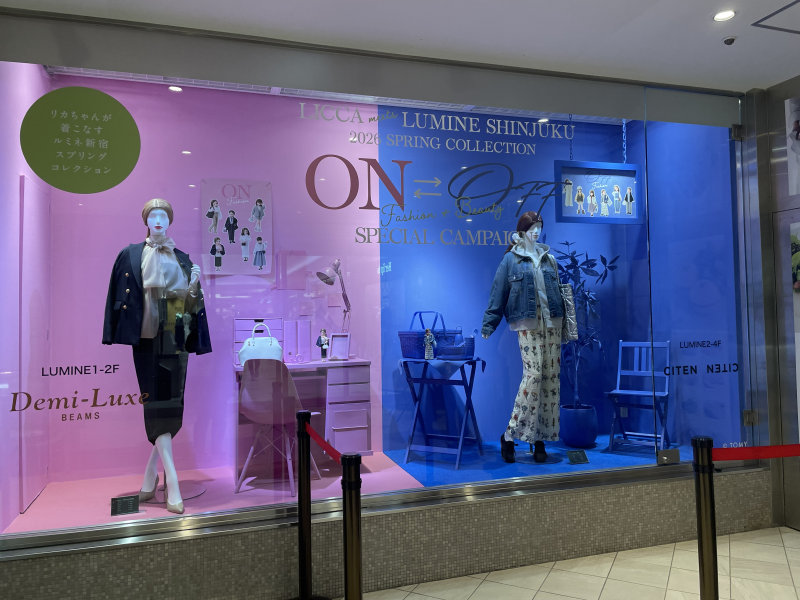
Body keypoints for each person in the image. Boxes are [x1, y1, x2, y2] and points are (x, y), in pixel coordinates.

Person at [103, 199, 212, 514]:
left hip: (175, 334)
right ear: (146, 221)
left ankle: (151, 479)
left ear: (170, 220)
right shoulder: (130, 254)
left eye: (164, 215)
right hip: (147, 336)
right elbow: (115, 295)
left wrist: (194, 286)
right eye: (153, 215)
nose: (159, 220)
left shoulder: (182, 258)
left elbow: (189, 305)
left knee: (171, 402)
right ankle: (172, 481)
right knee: (155, 403)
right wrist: (113, 330)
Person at [481, 211, 564, 464]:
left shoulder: (549, 258)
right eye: (531, 227)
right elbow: (498, 292)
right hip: (528, 324)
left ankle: (539, 440)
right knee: (534, 376)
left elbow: (559, 293)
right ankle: (509, 435)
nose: (536, 231)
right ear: (522, 230)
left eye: (539, 226)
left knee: (550, 381)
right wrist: (489, 324)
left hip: (552, 324)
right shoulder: (511, 259)